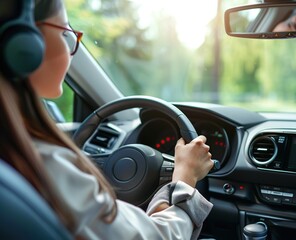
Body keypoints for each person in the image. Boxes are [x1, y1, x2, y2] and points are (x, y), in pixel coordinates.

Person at [0, 0, 214, 239]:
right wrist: (185, 177)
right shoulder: (45, 164)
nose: (72, 46)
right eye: (64, 33)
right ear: (25, 45)